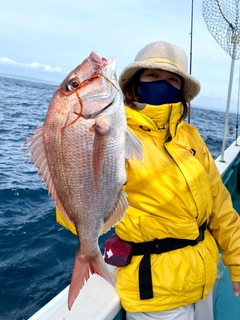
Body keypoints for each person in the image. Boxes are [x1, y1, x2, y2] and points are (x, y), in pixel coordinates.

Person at [109, 41, 240, 320]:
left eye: (172, 78)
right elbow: (78, 212)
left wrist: (236, 261)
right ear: (135, 83)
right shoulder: (113, 133)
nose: (163, 83)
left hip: (202, 280)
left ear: (181, 90)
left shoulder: (190, 136)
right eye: (152, 75)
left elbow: (220, 205)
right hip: (155, 292)